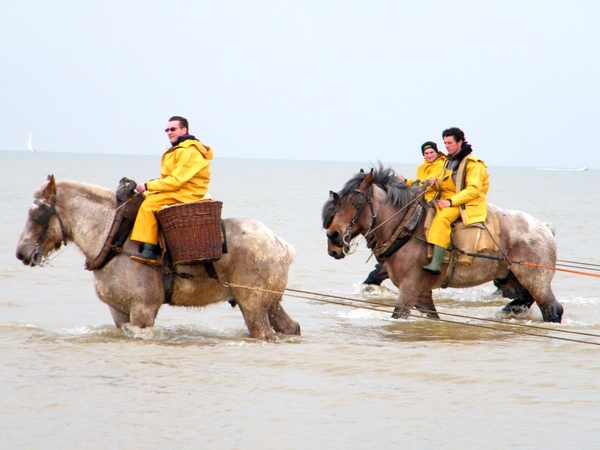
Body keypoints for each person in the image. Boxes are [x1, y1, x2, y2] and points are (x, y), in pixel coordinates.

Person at [130, 116, 214, 265]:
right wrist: (150, 186)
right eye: (167, 130)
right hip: (178, 189)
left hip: (187, 193)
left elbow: (176, 181)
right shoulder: (178, 149)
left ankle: (149, 251)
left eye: (173, 129)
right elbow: (171, 178)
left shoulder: (190, 152)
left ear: (184, 130)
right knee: (143, 197)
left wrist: (149, 186)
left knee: (149, 205)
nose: (169, 132)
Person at [422, 127, 489, 275]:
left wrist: (450, 202)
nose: (446, 146)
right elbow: (447, 183)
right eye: (445, 143)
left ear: (460, 142)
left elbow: (473, 190)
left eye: (450, 142)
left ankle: (436, 264)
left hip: (465, 203)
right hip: (446, 199)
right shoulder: (449, 161)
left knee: (442, 218)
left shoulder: (473, 164)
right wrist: (436, 182)